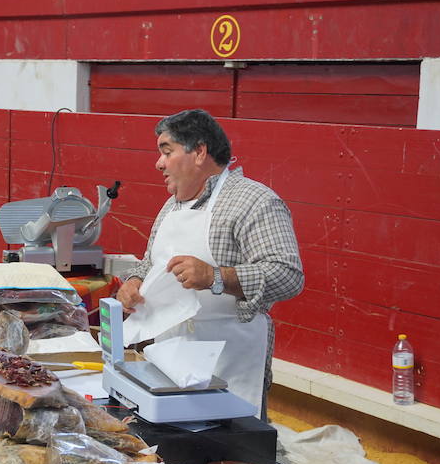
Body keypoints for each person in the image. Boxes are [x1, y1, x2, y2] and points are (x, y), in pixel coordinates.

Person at [117, 109, 303, 421]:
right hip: (170, 358)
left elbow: (288, 275)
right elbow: (151, 262)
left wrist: (215, 276)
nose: (158, 163)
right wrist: (135, 282)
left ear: (200, 151)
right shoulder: (172, 205)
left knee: (230, 460)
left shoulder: (253, 201)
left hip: (230, 364)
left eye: (167, 152)